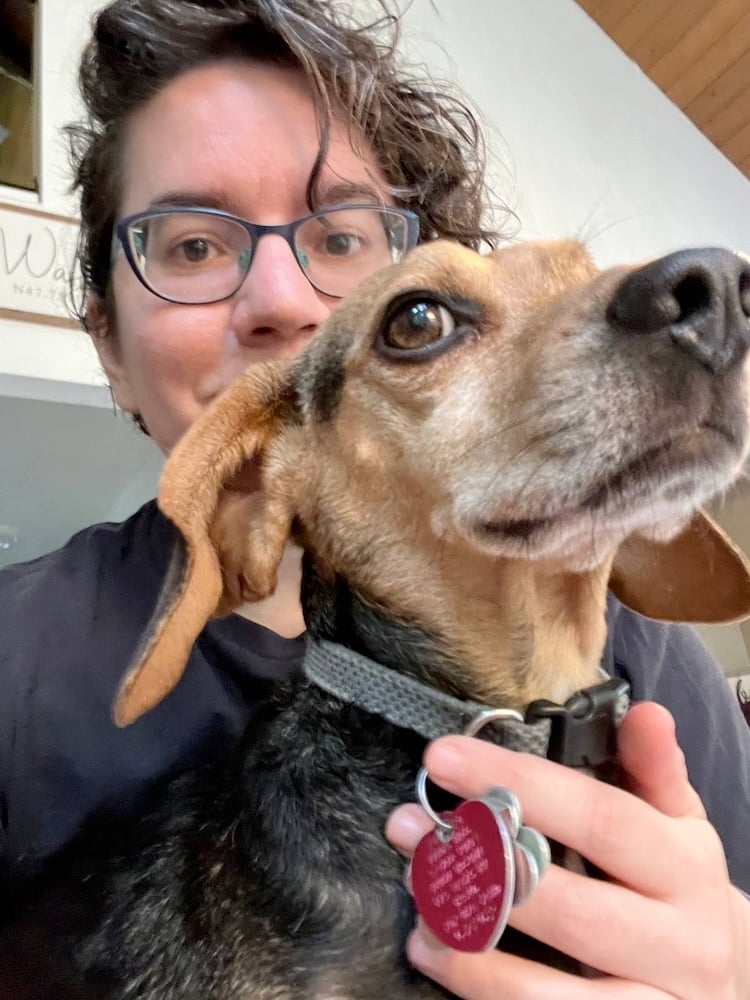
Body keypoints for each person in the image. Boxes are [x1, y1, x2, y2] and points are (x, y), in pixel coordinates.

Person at [0, 0, 748, 994]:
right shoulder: (15, 663)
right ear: (110, 350)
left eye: (342, 234)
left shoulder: (653, 664)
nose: (283, 301)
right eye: (190, 245)